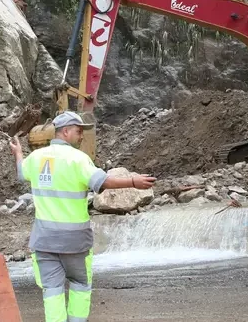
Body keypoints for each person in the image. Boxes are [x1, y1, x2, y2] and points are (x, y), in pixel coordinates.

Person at [10, 111, 155, 322]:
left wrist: (18, 153)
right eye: (78, 131)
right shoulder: (78, 159)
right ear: (65, 131)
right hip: (75, 242)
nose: (81, 136)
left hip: (44, 241)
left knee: (51, 290)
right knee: (80, 285)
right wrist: (133, 182)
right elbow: (102, 181)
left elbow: (22, 172)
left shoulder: (37, 157)